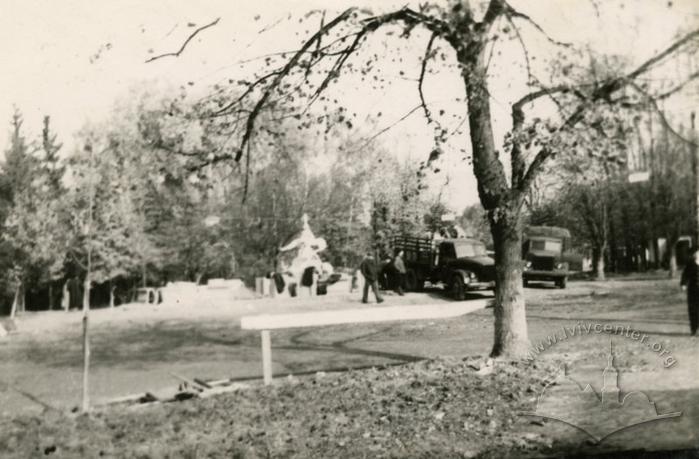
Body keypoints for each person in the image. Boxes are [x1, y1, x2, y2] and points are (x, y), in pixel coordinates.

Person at [681, 250, 699, 336]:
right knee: (693, 309)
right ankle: (694, 329)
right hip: (693, 290)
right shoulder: (691, 264)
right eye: (696, 254)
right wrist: (683, 284)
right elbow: (685, 275)